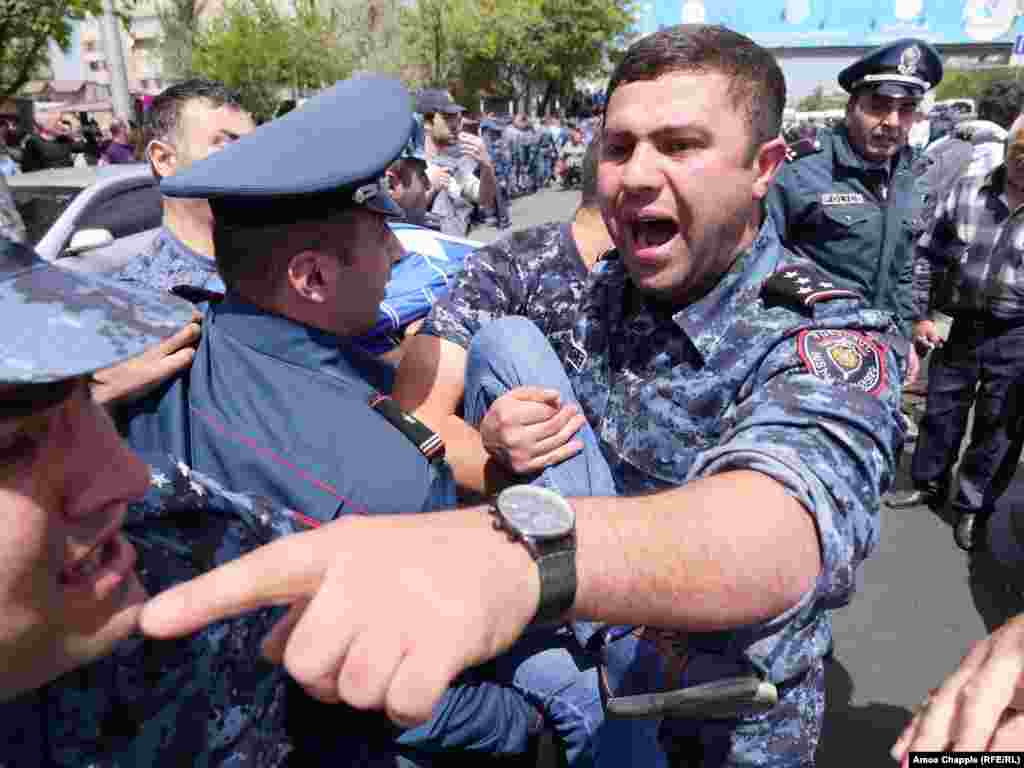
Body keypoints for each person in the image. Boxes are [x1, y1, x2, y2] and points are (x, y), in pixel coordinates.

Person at [139, 25, 907, 768]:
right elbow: (422, 405)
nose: (636, 174)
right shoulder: (581, 291)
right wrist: (497, 451)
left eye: (679, 145)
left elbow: (779, 528)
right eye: (617, 147)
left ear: (763, 166)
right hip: (583, 688)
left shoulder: (829, 333)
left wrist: (523, 560)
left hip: (722, 725)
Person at [123, 74, 619, 765]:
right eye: (382, 236)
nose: (399, 253)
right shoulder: (385, 481)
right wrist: (525, 725)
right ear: (312, 279)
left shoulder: (180, 350)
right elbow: (414, 699)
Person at [767, 38, 943, 386]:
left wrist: (904, 334)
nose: (892, 121)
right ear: (852, 108)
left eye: (906, 109)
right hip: (808, 351)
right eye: (878, 106)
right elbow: (756, 262)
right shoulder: (802, 171)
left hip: (884, 347)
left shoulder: (913, 177)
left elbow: (904, 267)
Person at [886, 114, 1024, 552]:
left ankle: (972, 508)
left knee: (998, 424)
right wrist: (921, 315)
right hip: (961, 324)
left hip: (1018, 333)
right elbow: (926, 253)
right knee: (942, 410)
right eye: (1019, 157)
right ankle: (929, 484)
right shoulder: (968, 191)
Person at [110, 79, 256, 296]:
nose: (255, 160)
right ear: (165, 159)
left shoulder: (286, 266)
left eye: (254, 146)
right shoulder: (136, 301)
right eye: (228, 145)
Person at [417, 89, 496, 237]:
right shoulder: (409, 166)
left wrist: (486, 165)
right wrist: (431, 190)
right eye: (447, 117)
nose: (455, 124)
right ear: (427, 123)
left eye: (457, 118)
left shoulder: (454, 164)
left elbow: (485, 199)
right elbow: (397, 217)